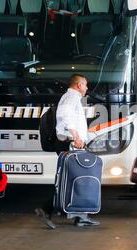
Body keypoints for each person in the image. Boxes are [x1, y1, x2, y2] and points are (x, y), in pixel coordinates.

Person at [36, 74, 100, 229]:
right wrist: (76, 136)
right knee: (70, 179)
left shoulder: (72, 98)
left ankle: (80, 216)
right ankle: (46, 209)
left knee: (76, 179)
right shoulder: (70, 98)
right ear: (78, 85)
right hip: (69, 143)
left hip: (71, 143)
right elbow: (64, 117)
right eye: (85, 85)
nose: (87, 88)